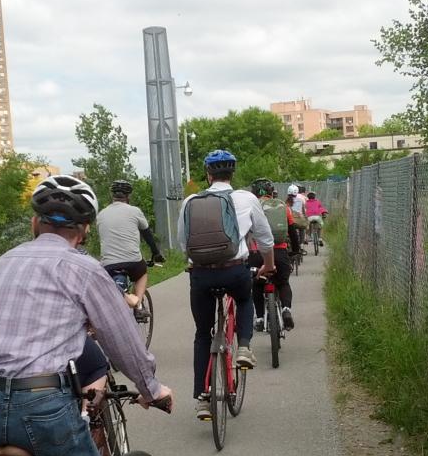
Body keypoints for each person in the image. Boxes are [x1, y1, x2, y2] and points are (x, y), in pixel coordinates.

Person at [0, 174, 175, 456]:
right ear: (85, 230)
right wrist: (151, 388)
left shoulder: (1, 263)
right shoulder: (82, 267)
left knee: (22, 445)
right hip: (43, 409)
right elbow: (122, 339)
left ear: (33, 223)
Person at [177, 149, 275, 420]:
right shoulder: (246, 198)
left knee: (201, 334)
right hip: (234, 272)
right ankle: (243, 346)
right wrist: (267, 264)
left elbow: (183, 243)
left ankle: (203, 398)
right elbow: (265, 239)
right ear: (232, 173)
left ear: (208, 175)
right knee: (244, 299)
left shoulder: (190, 201)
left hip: (201, 275)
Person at [97, 180, 165, 310]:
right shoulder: (135, 211)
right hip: (132, 261)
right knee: (142, 272)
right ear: (128, 196)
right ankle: (137, 303)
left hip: (108, 264)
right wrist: (156, 253)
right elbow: (147, 235)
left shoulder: (101, 214)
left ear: (112, 196)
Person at [249, 179, 296, 332]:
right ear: (271, 192)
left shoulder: (251, 208)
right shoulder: (283, 207)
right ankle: (286, 309)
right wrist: (295, 250)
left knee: (257, 284)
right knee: (283, 283)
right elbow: (293, 231)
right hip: (280, 252)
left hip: (258, 253)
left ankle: (261, 318)